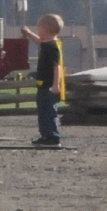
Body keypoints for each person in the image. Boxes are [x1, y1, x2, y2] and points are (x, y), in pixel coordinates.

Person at [20, 12, 66, 147]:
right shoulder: (46, 43)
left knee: (49, 111)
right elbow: (39, 41)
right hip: (43, 85)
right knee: (42, 111)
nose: (38, 31)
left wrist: (56, 84)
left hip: (50, 87)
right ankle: (45, 135)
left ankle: (53, 136)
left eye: (39, 28)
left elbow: (56, 66)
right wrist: (28, 33)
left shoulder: (53, 47)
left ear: (45, 29)